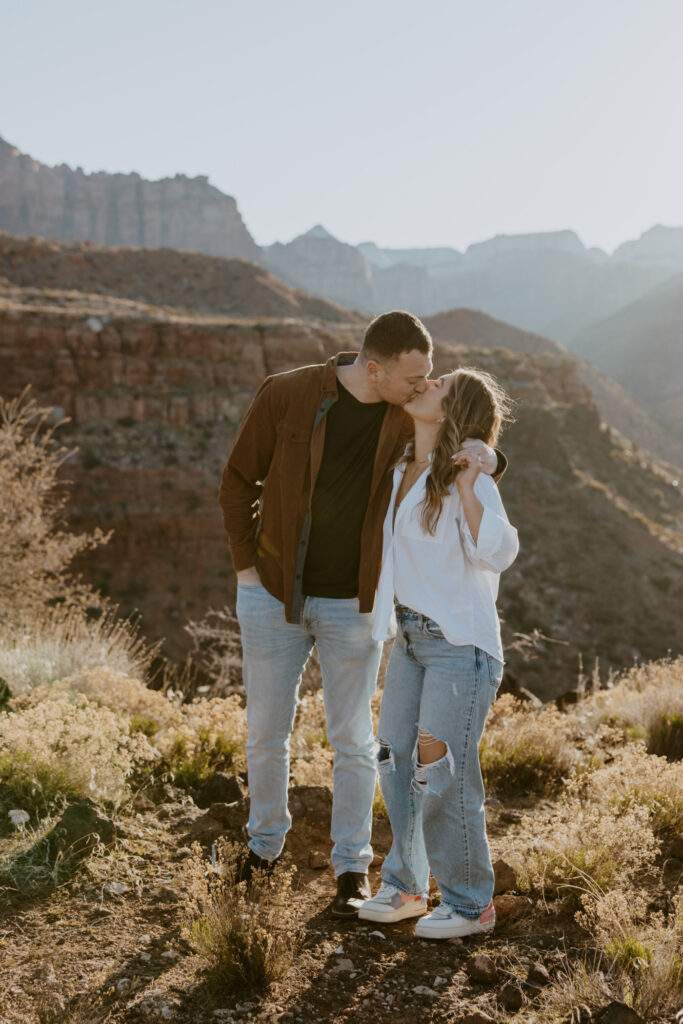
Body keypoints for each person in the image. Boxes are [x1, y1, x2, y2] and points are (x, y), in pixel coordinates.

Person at [219, 312, 503, 917]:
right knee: (266, 735)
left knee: (353, 739)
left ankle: (352, 867)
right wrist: (248, 570)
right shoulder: (286, 394)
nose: (422, 386)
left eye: (429, 377)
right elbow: (239, 479)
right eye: (413, 376)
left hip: (356, 605)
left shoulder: (405, 413)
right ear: (374, 370)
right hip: (273, 596)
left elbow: (461, 437)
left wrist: (492, 465)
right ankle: (264, 848)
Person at [358, 367, 518, 938]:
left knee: (442, 771)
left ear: (451, 412)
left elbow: (497, 551)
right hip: (410, 640)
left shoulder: (466, 478)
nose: (428, 383)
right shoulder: (404, 468)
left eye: (441, 384)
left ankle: (471, 904)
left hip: (459, 643)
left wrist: (478, 480)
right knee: (395, 759)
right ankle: (404, 886)